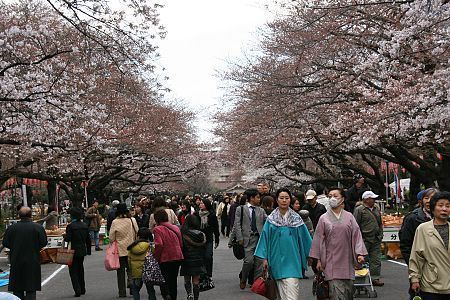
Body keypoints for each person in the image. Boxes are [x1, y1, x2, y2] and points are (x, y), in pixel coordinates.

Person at [309, 187, 367, 300]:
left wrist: (359, 254)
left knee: (348, 293)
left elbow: (357, 235)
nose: (332, 199)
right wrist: (318, 260)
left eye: (335, 196)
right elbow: (318, 239)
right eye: (330, 196)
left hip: (347, 260)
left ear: (342, 199)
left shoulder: (349, 217)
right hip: (330, 261)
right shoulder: (323, 218)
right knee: (336, 294)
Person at [254, 188, 312, 299]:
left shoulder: (296, 219)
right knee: (282, 295)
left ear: (290, 200)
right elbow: (265, 239)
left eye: (287, 198)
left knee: (292, 293)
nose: (284, 200)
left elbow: (305, 238)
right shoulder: (271, 220)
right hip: (276, 260)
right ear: (277, 200)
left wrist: (310, 255)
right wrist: (264, 258)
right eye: (281, 198)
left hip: (293, 260)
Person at [409, 191, 450, 299]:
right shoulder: (423, 229)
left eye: (448, 206)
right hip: (431, 284)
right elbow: (416, 256)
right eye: (440, 205)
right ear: (433, 208)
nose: (444, 209)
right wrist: (414, 279)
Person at [2, 206, 47, 300]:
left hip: (16, 258)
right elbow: (43, 242)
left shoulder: (12, 228)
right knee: (31, 287)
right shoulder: (37, 227)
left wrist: (15, 247)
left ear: (19, 215)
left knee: (17, 288)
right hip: (33, 259)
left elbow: (5, 242)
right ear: (30, 215)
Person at [233, 189, 267, 289]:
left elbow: (268, 220)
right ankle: (243, 278)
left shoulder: (261, 210)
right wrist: (240, 237)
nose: (259, 199)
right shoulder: (241, 209)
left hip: (259, 238)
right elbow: (237, 224)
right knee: (248, 261)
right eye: (257, 197)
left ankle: (256, 283)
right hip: (247, 239)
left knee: (259, 262)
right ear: (251, 198)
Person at [353, 191, 384, 286]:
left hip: (375, 238)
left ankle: (375, 278)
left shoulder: (376, 209)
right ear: (366, 199)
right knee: (361, 259)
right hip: (364, 239)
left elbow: (380, 223)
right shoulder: (359, 210)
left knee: (376, 259)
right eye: (372, 198)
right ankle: (359, 279)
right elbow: (355, 224)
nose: (374, 200)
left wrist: (380, 234)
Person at [399, 188, 438, 265]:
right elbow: (405, 244)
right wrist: (413, 264)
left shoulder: (445, 219)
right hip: (421, 264)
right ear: (421, 201)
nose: (428, 201)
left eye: (432, 198)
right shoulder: (412, 218)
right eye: (426, 198)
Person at [110, 203, 139, 298]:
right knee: (131, 270)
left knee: (120, 272)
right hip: (132, 249)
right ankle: (132, 288)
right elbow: (137, 231)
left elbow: (111, 237)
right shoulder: (132, 220)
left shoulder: (115, 222)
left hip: (120, 250)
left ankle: (122, 292)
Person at [154, 209, 184, 300]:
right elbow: (181, 243)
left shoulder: (157, 229)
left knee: (164, 280)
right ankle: (173, 297)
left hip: (165, 257)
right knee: (173, 280)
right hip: (177, 256)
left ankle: (167, 296)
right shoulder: (175, 227)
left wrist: (156, 257)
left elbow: (159, 244)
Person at [64, 207, 91, 297]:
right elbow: (88, 239)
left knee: (73, 271)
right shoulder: (84, 225)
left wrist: (64, 236)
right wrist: (89, 250)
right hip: (82, 250)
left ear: (72, 216)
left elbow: (68, 239)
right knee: (80, 269)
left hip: (73, 250)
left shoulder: (70, 226)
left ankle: (77, 290)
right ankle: (83, 288)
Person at [180, 215, 206, 300]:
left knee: (187, 279)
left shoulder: (184, 234)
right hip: (197, 259)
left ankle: (189, 294)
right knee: (196, 280)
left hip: (186, 258)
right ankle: (196, 298)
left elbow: (181, 246)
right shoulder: (201, 235)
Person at [127, 227, 156, 300]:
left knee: (135, 289)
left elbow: (129, 260)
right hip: (148, 271)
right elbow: (154, 256)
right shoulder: (150, 247)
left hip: (136, 272)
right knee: (150, 290)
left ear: (138, 236)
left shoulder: (132, 247)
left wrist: (131, 271)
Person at [196, 198, 219, 278]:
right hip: (199, 239)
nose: (201, 205)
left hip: (209, 238)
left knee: (208, 256)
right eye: (200, 203)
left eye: (203, 203)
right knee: (201, 256)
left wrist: (217, 239)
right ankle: (202, 274)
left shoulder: (212, 215)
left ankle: (209, 274)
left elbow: (215, 228)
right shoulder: (196, 214)